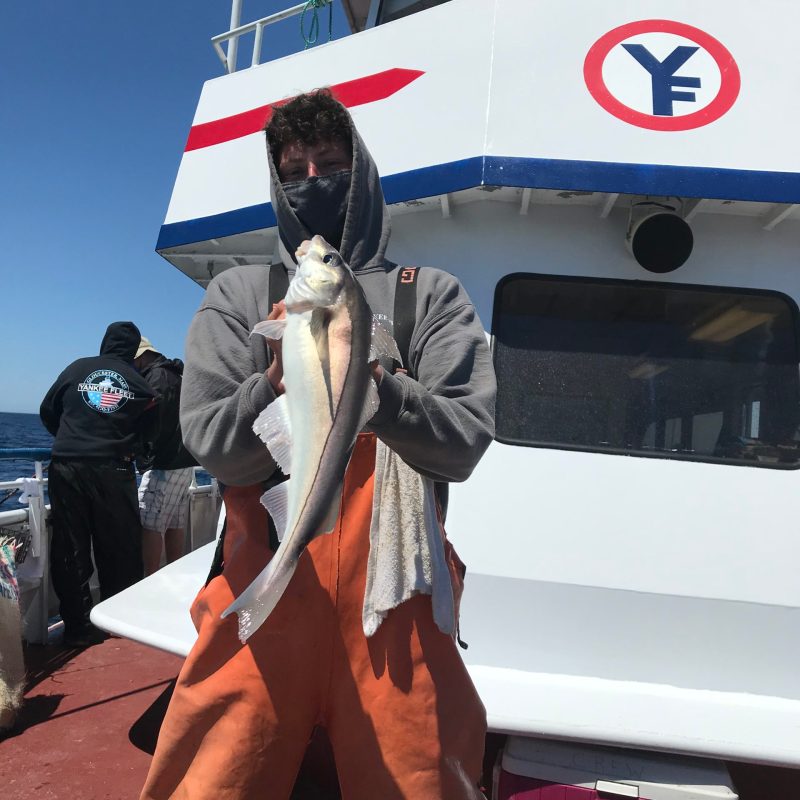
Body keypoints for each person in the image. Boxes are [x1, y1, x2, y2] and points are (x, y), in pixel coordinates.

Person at [141, 90, 496, 799]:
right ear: (277, 185)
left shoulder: (428, 295)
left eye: (330, 164)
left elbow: (463, 444)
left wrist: (380, 392)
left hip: (399, 603)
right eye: (294, 169)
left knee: (421, 781)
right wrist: (273, 386)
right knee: (214, 782)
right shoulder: (240, 296)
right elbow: (212, 445)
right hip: (266, 583)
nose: (313, 181)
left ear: (360, 173)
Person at [40, 321, 156, 648]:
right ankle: (118, 621)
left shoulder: (77, 369)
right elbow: (149, 431)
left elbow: (48, 410)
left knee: (70, 547)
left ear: (104, 343)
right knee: (119, 549)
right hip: (113, 469)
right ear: (135, 350)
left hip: (66, 465)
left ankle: (77, 628)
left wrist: (72, 441)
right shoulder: (140, 385)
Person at [134, 336, 198, 576]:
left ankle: (148, 580)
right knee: (174, 522)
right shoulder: (176, 373)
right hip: (185, 459)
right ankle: (172, 575)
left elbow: (154, 421)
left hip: (165, 461)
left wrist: (141, 449)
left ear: (139, 357)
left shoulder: (156, 377)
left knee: (150, 524)